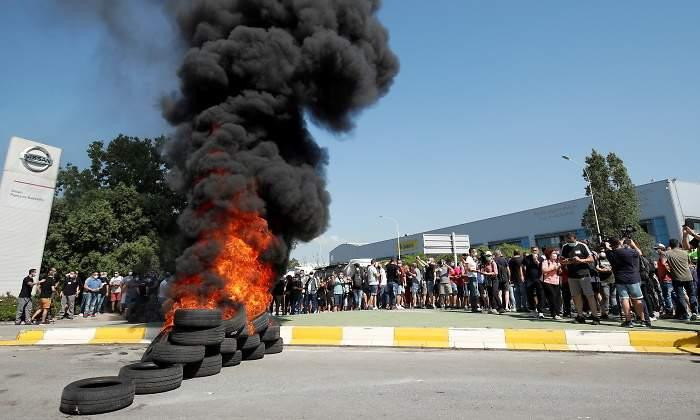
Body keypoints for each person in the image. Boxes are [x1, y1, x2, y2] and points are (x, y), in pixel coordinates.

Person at [605, 237, 650, 327]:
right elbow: (640, 253)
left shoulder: (610, 253)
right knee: (637, 299)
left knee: (624, 299)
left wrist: (609, 245)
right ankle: (643, 320)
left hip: (620, 278)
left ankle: (628, 320)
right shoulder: (630, 252)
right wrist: (632, 244)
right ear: (619, 243)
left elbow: (609, 249)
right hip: (633, 278)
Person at [560, 233, 600, 325]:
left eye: (571, 240)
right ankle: (580, 316)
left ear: (575, 239)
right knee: (576, 296)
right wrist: (568, 261)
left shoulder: (582, 246)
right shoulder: (565, 247)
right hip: (572, 276)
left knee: (589, 295)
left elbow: (591, 259)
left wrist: (580, 260)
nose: (569, 242)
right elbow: (561, 260)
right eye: (568, 240)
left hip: (584, 275)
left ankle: (595, 317)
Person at [664, 238, 697, 320]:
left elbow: (664, 264)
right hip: (688, 276)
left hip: (677, 277)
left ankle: (685, 314)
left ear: (670, 245)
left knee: (680, 296)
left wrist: (670, 273)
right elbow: (689, 263)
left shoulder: (667, 253)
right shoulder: (685, 252)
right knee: (691, 294)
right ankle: (694, 312)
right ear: (678, 244)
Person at [522, 247, 545, 319]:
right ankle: (533, 310)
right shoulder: (527, 258)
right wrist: (522, 276)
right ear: (531, 251)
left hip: (539, 279)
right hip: (529, 279)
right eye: (533, 250)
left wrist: (536, 261)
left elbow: (542, 268)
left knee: (540, 295)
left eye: (535, 250)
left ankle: (540, 311)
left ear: (538, 251)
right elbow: (523, 266)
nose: (534, 252)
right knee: (530, 294)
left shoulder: (541, 258)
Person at [541, 250, 563, 319]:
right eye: (553, 253)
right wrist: (554, 268)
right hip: (547, 281)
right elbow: (544, 270)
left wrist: (559, 269)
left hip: (556, 281)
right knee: (552, 297)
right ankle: (554, 314)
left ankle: (557, 313)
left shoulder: (557, 262)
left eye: (556, 253)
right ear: (549, 254)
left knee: (557, 298)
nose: (555, 255)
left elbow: (559, 272)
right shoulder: (545, 262)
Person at [596, 250, 615, 319]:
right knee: (606, 296)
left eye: (603, 251)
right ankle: (605, 313)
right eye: (600, 251)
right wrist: (601, 270)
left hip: (612, 280)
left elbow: (614, 265)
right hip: (603, 280)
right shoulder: (598, 259)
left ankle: (615, 311)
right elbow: (596, 267)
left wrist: (610, 269)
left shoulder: (610, 257)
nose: (602, 252)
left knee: (613, 296)